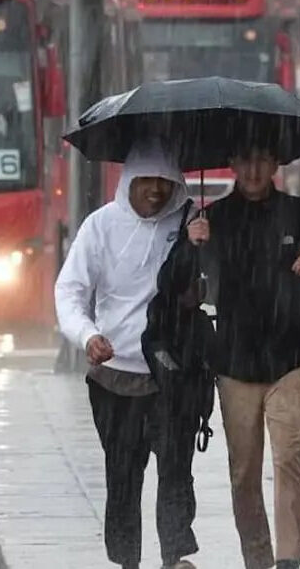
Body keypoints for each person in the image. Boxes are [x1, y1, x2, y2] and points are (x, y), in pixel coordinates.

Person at [177, 144, 300, 569]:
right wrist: (192, 244)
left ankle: (289, 560)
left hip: (290, 359)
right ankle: (258, 558)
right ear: (231, 164)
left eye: (262, 160)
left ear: (276, 164)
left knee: (289, 458)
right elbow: (188, 286)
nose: (253, 169)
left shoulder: (299, 212)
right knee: (243, 473)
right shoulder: (213, 218)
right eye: (244, 159)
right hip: (234, 363)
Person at [54, 138, 201, 569]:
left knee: (176, 472)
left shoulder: (191, 224)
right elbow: (70, 290)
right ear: (128, 181)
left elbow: (211, 288)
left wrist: (199, 250)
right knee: (122, 476)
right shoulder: (99, 227)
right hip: (114, 377)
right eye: (146, 181)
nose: (155, 190)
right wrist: (87, 336)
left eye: (165, 181)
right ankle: (126, 561)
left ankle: (175, 557)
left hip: (172, 376)